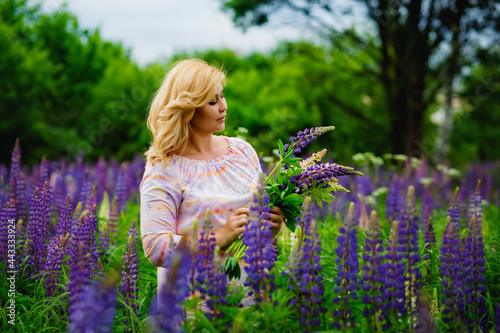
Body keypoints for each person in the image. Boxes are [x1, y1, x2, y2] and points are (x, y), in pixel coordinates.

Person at [139, 59, 284, 297]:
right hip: (195, 303)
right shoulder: (165, 166)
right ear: (188, 108)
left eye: (222, 96)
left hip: (254, 294)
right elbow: (155, 247)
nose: (223, 106)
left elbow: (259, 218)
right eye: (212, 101)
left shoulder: (242, 151)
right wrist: (219, 237)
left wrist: (271, 227)